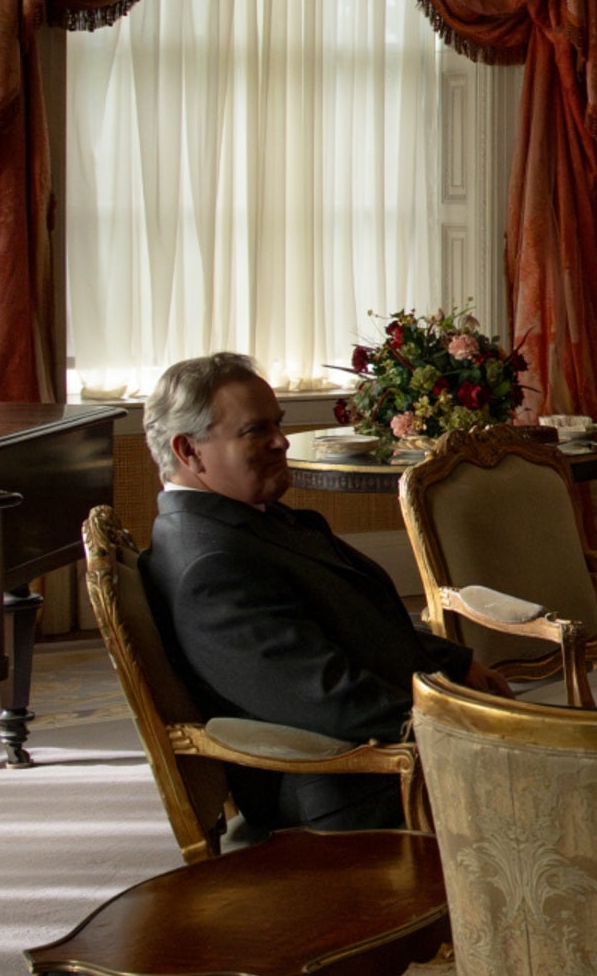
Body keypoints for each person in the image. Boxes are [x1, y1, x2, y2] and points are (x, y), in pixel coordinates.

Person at [139, 352, 512, 834]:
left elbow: (359, 624)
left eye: (278, 423)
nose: (281, 442)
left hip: (396, 757)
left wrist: (456, 663)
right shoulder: (210, 567)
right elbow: (330, 700)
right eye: (256, 431)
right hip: (360, 792)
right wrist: (473, 726)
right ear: (189, 451)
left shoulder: (242, 522)